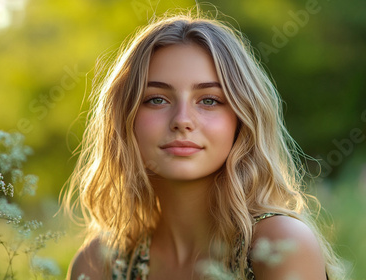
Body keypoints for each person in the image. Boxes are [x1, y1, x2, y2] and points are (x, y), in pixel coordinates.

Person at [62, 10, 344, 280]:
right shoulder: (99, 266)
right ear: (125, 119)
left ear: (242, 119)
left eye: (209, 100)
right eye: (156, 99)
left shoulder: (278, 244)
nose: (182, 120)